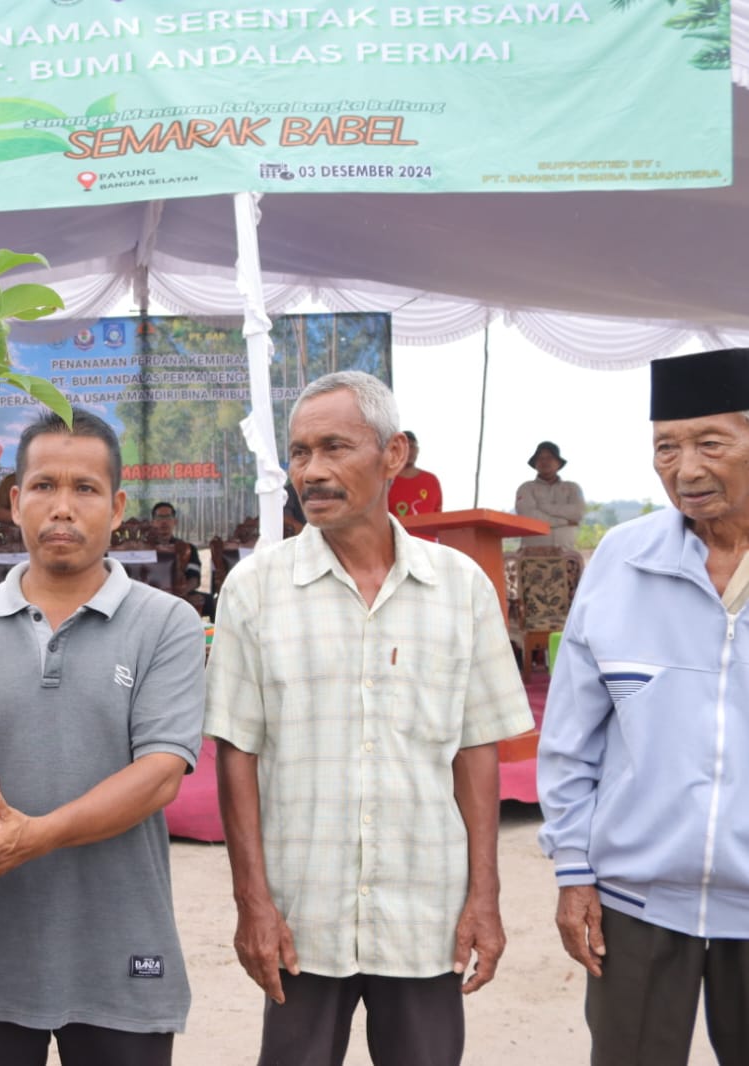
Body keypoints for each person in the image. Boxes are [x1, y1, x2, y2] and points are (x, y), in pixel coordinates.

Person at [204, 370, 532, 1066]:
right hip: (302, 916)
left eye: (333, 448)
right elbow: (238, 754)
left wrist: (484, 895)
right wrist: (252, 903)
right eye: (298, 453)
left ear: (393, 455)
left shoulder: (459, 589)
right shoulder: (254, 590)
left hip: (425, 914)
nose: (311, 473)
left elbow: (475, 749)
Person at [0, 410, 205, 1066]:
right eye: (42, 486)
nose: (61, 507)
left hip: (120, 954)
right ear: (14, 502)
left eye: (85, 489)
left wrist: (32, 837)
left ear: (116, 505)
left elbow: (159, 772)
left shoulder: (166, 624)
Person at [537, 347, 749, 1066]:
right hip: (634, 904)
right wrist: (572, 873)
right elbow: (571, 736)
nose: (685, 470)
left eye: (710, 444)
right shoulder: (620, 561)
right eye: (666, 447)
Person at [515, 440, 586, 549]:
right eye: (540, 458)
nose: (544, 462)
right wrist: (564, 521)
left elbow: (578, 513)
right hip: (531, 554)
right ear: (535, 464)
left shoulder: (572, 488)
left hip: (566, 554)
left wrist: (543, 507)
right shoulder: (526, 488)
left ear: (558, 463)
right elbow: (528, 517)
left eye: (549, 458)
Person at [149, 501, 207, 613]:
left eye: (168, 517)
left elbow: (194, 579)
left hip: (179, 597)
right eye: (160, 517)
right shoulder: (145, 550)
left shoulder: (188, 549)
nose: (164, 522)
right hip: (150, 596)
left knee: (207, 600)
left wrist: (178, 594)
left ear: (175, 521)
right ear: (153, 522)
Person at [387, 430, 443, 520]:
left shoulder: (431, 480)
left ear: (418, 450)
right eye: (405, 446)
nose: (409, 450)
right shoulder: (386, 481)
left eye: (412, 446)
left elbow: (438, 515)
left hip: (426, 534)